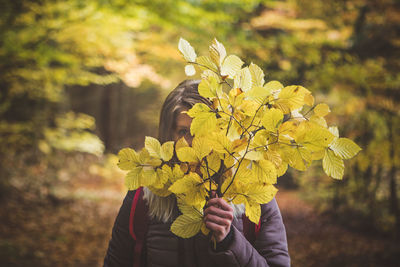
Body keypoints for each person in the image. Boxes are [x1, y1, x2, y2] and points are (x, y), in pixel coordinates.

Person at [103, 80, 290, 267]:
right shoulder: (144, 195)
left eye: (203, 131)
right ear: (169, 136)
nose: (193, 142)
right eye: (184, 131)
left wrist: (230, 239)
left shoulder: (250, 192)